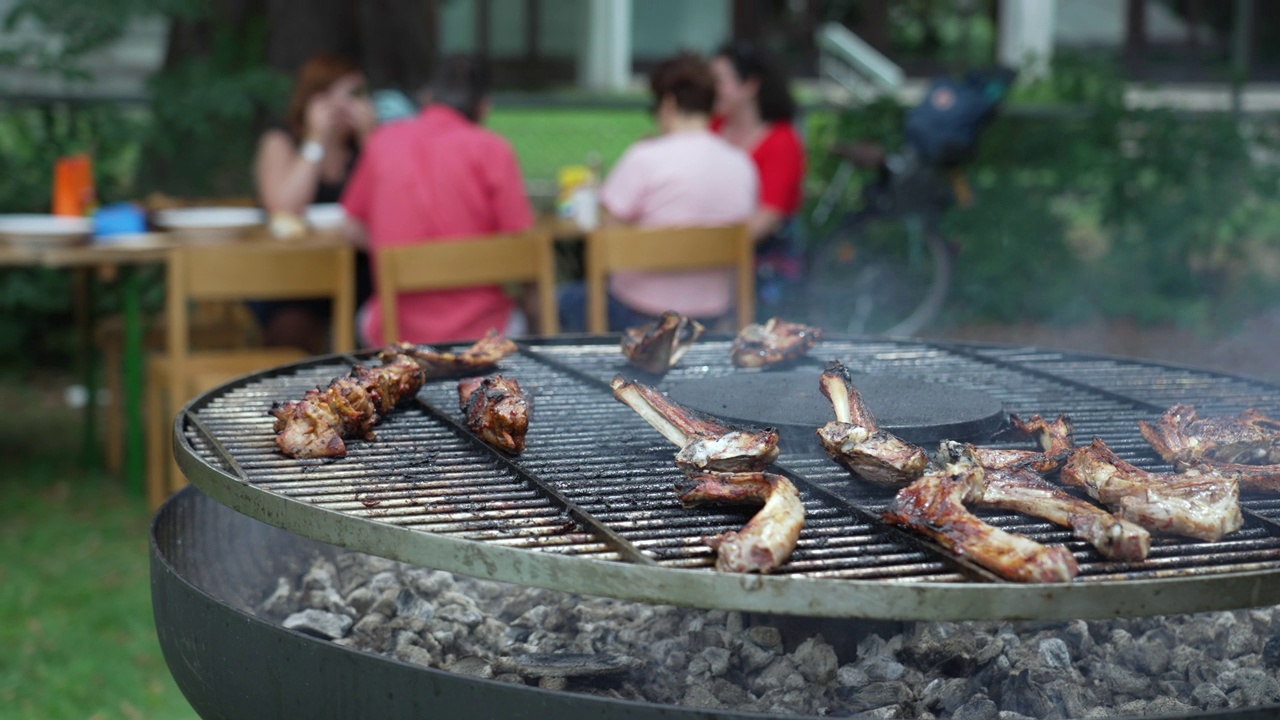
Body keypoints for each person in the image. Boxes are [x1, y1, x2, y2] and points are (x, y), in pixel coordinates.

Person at [340, 54, 535, 346]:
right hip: (485, 331)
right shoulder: (494, 149)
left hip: (395, 330)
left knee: (363, 316)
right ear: (484, 107)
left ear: (427, 97)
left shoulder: (382, 142)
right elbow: (522, 250)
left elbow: (351, 227)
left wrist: (398, 254)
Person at [558, 53, 758, 332]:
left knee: (563, 300)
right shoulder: (741, 164)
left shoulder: (644, 158)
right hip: (711, 318)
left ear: (669, 102)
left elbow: (605, 233)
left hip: (638, 315)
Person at [253, 53, 377, 353]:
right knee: (291, 330)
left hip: (359, 270)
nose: (350, 107)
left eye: (358, 96)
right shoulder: (281, 142)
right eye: (345, 96)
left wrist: (372, 139)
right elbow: (284, 207)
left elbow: (394, 204)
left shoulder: (368, 148)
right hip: (295, 275)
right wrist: (316, 139)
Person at [709, 41, 806, 315]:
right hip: (715, 255)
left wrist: (705, 249)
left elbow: (768, 217)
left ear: (750, 84)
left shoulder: (783, 141)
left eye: (718, 80)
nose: (709, 88)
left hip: (764, 262)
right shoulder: (712, 128)